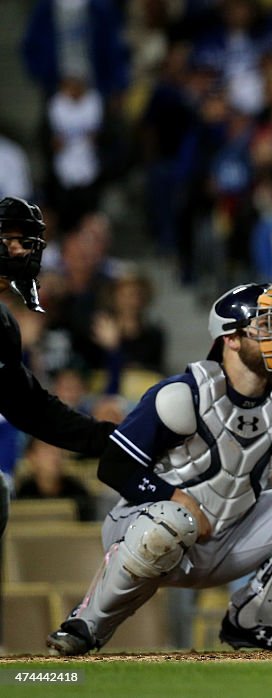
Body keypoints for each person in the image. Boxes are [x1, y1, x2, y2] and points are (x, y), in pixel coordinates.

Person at [45, 283, 272, 655]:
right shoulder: (182, 394)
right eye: (268, 326)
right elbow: (115, 466)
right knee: (172, 521)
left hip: (231, 536)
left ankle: (255, 620)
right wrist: (173, 496)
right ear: (232, 338)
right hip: (146, 527)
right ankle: (87, 624)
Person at [0, 197, 115, 536]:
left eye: (27, 243)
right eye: (10, 241)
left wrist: (117, 438)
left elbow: (35, 411)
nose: (21, 252)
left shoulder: (4, 324)